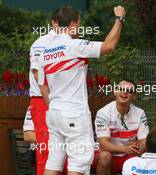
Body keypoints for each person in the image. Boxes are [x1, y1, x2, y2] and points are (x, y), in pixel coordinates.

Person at [38, 5, 126, 175]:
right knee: (78, 165)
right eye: (79, 24)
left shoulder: (44, 52)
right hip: (74, 114)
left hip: (55, 114)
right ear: (72, 24)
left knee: (53, 163)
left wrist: (55, 107)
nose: (79, 27)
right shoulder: (74, 45)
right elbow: (109, 46)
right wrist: (119, 19)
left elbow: (43, 86)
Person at [93, 79, 149, 175]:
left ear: (134, 96)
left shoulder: (140, 113)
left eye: (129, 91)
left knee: (146, 155)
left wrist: (139, 146)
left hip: (130, 155)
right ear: (115, 91)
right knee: (105, 156)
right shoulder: (103, 113)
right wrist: (125, 149)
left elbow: (144, 140)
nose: (124, 93)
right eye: (121, 89)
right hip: (109, 156)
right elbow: (103, 144)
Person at [28, 16, 58, 175]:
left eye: (76, 24)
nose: (74, 28)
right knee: (46, 148)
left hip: (60, 102)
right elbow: (37, 73)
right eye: (71, 24)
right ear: (54, 23)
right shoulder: (41, 43)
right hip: (42, 100)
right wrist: (51, 101)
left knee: (65, 150)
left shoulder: (69, 43)